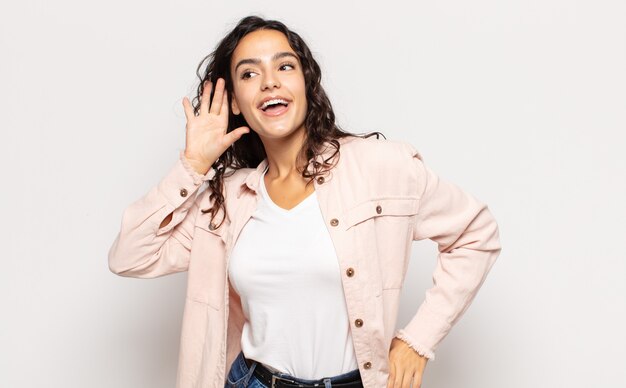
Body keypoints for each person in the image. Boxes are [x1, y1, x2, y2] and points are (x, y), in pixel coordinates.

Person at [108, 15, 502, 388]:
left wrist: (418, 341)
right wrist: (192, 165)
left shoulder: (378, 166)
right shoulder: (224, 203)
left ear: (306, 83)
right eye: (249, 73)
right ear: (234, 102)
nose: (268, 83)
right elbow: (129, 256)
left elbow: (476, 233)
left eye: (284, 67)